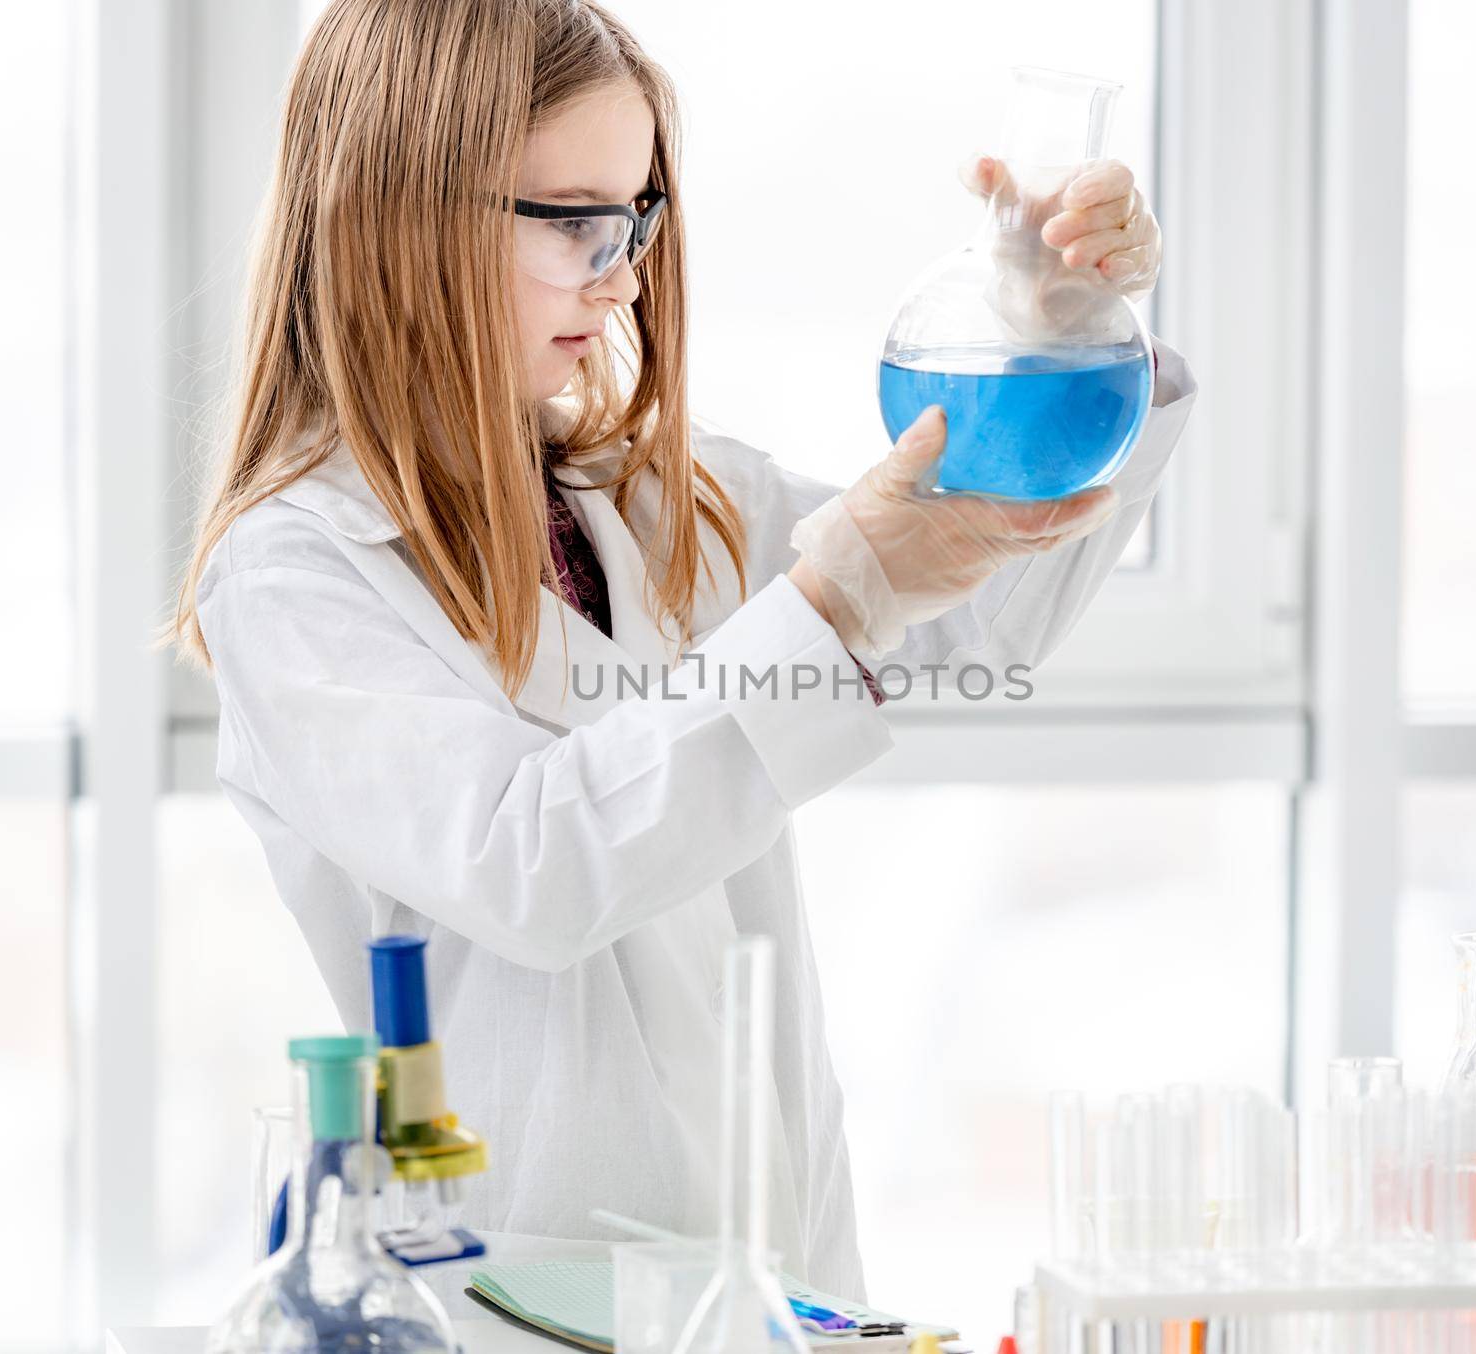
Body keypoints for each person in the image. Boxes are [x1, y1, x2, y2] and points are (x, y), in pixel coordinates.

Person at [164, 0, 1196, 1302]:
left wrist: (1062, 333)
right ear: (402, 211)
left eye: (638, 219)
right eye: (579, 218)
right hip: (519, 1301)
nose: (626, 273)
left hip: (769, 1266)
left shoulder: (656, 496)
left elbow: (978, 613)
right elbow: (534, 860)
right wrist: (832, 600)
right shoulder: (299, 572)